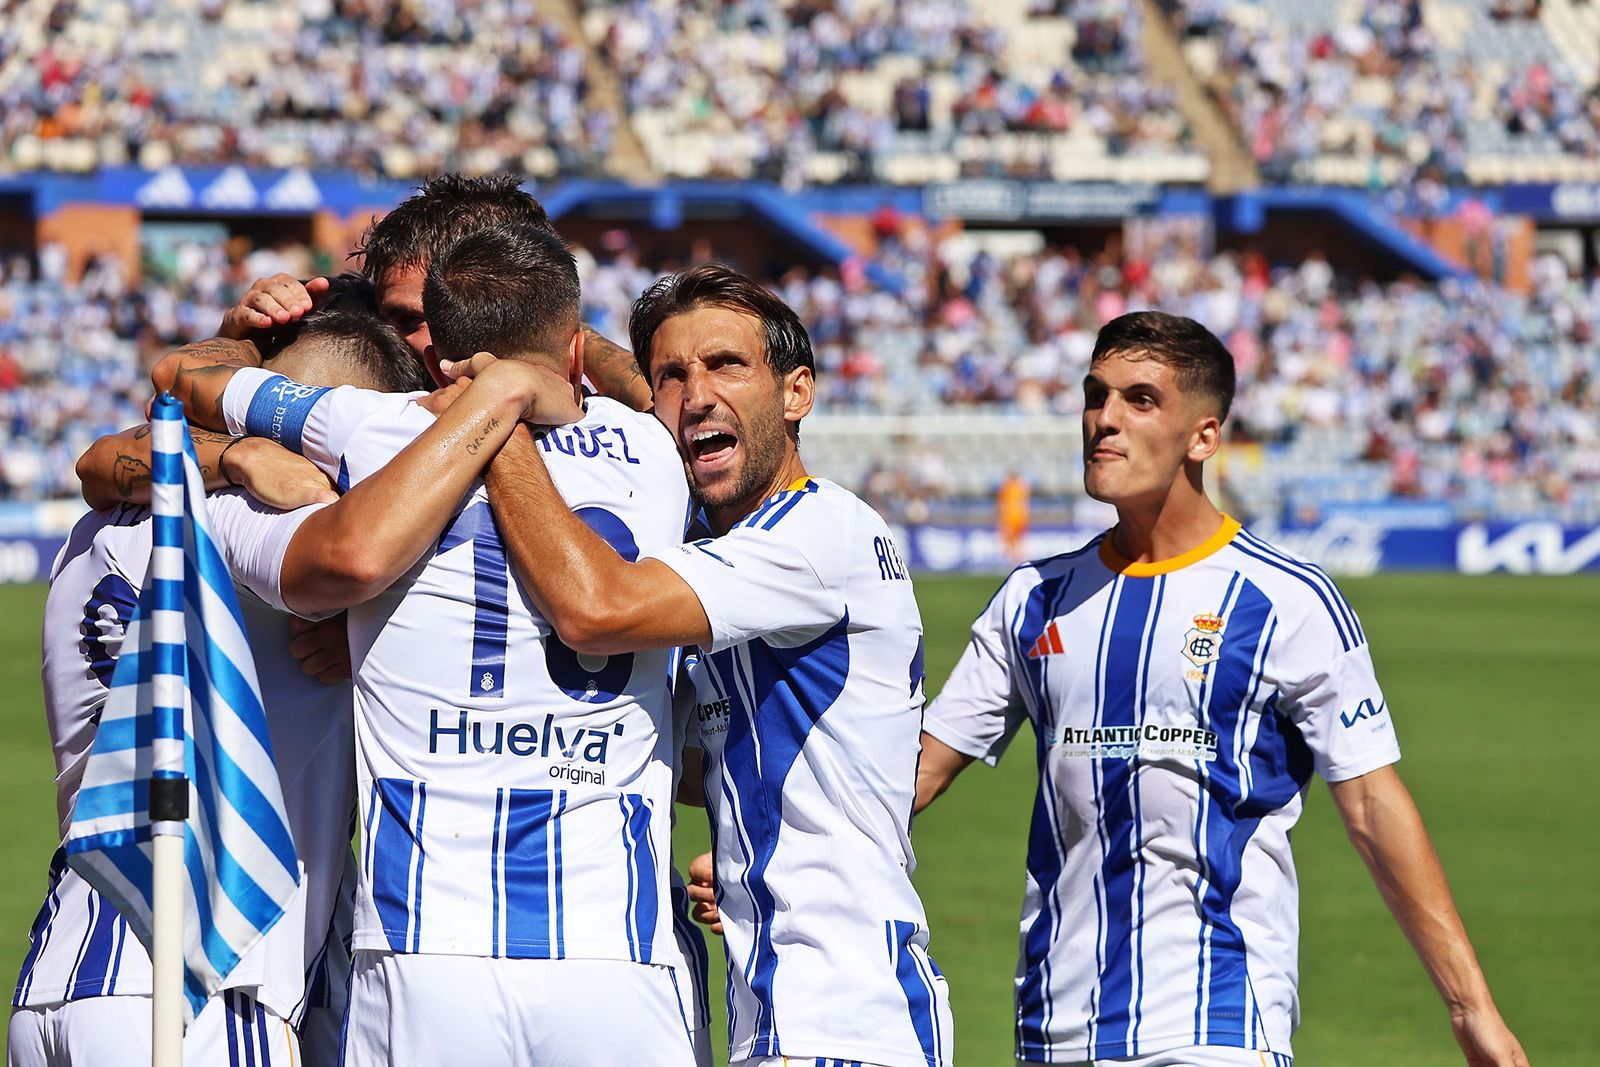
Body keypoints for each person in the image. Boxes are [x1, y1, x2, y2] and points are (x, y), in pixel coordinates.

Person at [914, 311, 1528, 1067]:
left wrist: (1473, 1010)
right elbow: (914, 774)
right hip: (1055, 1027)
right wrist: (763, 851)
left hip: (1218, 1022)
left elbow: (1371, 804)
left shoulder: (1286, 601)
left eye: (1140, 399)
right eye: (1094, 393)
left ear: (1204, 436)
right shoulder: (1033, 599)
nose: (1103, 418)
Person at [150, 223, 699, 1067]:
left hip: (421, 943)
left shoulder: (365, 426)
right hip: (613, 946)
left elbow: (177, 378)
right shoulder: (654, 449)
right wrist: (562, 378)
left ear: (439, 350)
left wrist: (251, 335)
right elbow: (665, 395)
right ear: (575, 343)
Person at [441, 262, 951, 1067]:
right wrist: (750, 839)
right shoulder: (730, 556)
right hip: (786, 1014)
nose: (696, 395)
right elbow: (688, 759)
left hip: (842, 1023)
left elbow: (594, 609)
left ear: (797, 394)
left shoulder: (818, 533)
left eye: (726, 365)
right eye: (672, 376)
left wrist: (494, 417)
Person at [10, 292, 425, 1067]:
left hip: (58, 978)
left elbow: (111, 455)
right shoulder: (266, 534)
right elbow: (351, 553)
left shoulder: (96, 521)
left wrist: (228, 365)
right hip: (203, 990)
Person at [218, 172, 651, 407]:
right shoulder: (362, 419)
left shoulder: (606, 421)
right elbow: (157, 450)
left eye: (459, 313)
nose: (435, 349)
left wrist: (566, 340)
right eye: (405, 319)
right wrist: (242, 344)